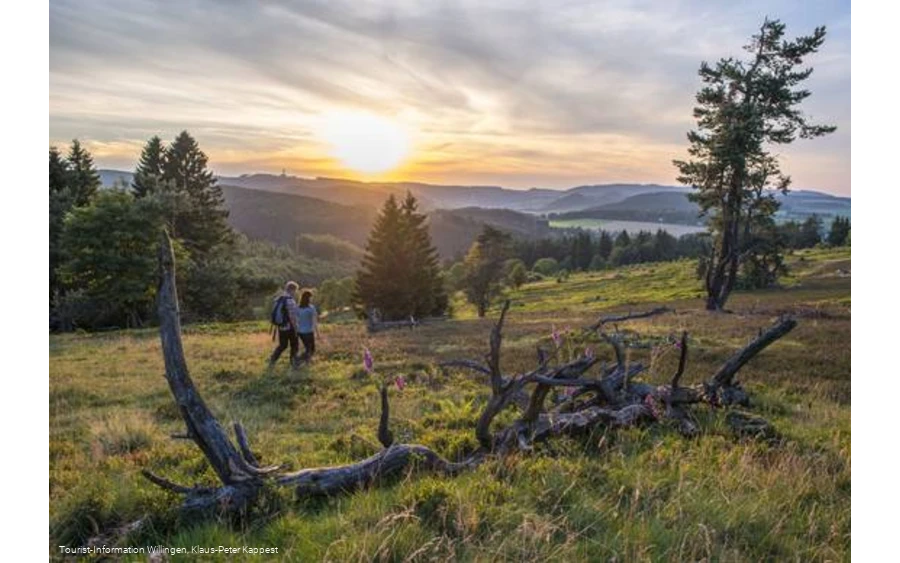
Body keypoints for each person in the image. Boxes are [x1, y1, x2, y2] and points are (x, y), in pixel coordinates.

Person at [268, 281, 300, 369]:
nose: (295, 292)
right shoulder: (290, 300)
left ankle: (273, 359)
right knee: (295, 344)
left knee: (283, 345)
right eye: (295, 290)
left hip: (281, 326)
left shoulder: (278, 299)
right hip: (290, 327)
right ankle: (294, 363)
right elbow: (292, 316)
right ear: (292, 290)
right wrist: (296, 328)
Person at [296, 290, 319, 362]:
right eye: (311, 297)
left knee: (308, 348)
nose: (311, 299)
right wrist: (317, 332)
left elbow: (296, 320)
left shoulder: (298, 308)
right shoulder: (311, 308)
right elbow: (314, 321)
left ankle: (305, 360)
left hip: (300, 331)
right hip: (308, 331)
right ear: (308, 298)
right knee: (311, 349)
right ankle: (299, 359)